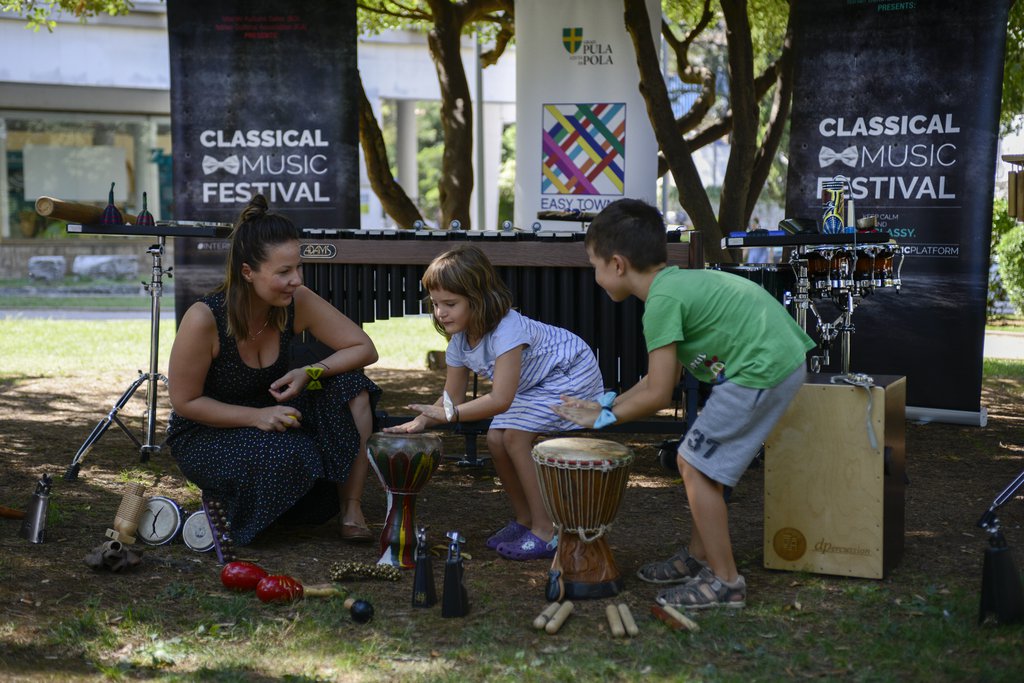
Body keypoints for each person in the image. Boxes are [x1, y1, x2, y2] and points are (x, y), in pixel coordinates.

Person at [554, 198, 814, 609]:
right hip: (771, 359)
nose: (596, 276)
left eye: (594, 266)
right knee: (704, 463)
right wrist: (605, 406)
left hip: (762, 367)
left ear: (617, 265)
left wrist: (603, 419)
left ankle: (726, 582)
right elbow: (657, 380)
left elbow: (658, 395)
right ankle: (700, 555)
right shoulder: (672, 287)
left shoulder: (662, 303)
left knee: (691, 462)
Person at [166, 194, 382, 546]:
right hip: (208, 432)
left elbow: (364, 348)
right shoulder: (204, 318)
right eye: (284, 272)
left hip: (273, 417)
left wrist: (310, 372)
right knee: (292, 456)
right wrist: (256, 417)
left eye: (298, 267)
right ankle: (237, 501)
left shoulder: (296, 301)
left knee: (352, 388)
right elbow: (185, 402)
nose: (296, 279)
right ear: (247, 272)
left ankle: (351, 508)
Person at [383, 245, 604, 561]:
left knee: (514, 437)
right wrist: (422, 421)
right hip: (535, 385)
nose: (440, 312)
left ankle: (547, 530)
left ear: (478, 300)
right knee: (495, 439)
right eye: (435, 304)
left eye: (450, 304)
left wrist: (450, 414)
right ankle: (525, 520)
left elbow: (500, 399)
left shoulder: (507, 329)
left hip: (570, 375)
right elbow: (452, 398)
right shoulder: (460, 341)